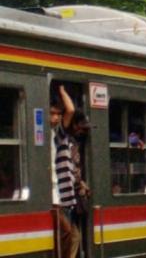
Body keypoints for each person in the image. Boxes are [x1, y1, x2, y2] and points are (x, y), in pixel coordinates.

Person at [50, 85, 80, 258]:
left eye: (57, 114)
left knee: (67, 234)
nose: (55, 118)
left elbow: (70, 110)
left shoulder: (56, 135)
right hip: (52, 195)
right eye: (52, 113)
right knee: (67, 232)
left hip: (60, 193)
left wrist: (62, 91)